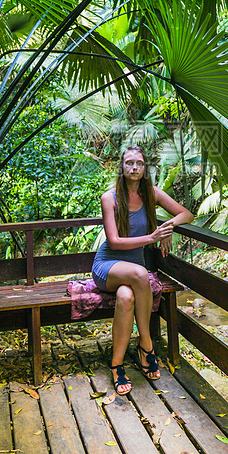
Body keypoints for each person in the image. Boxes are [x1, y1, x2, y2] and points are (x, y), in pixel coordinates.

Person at [92, 145, 194, 395]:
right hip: (108, 266)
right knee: (140, 274)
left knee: (126, 297)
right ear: (122, 167)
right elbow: (114, 241)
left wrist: (166, 228)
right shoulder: (110, 197)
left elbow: (187, 214)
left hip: (132, 273)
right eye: (129, 163)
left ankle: (116, 365)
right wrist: (152, 238)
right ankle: (146, 345)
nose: (134, 167)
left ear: (145, 167)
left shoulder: (153, 194)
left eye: (139, 163)